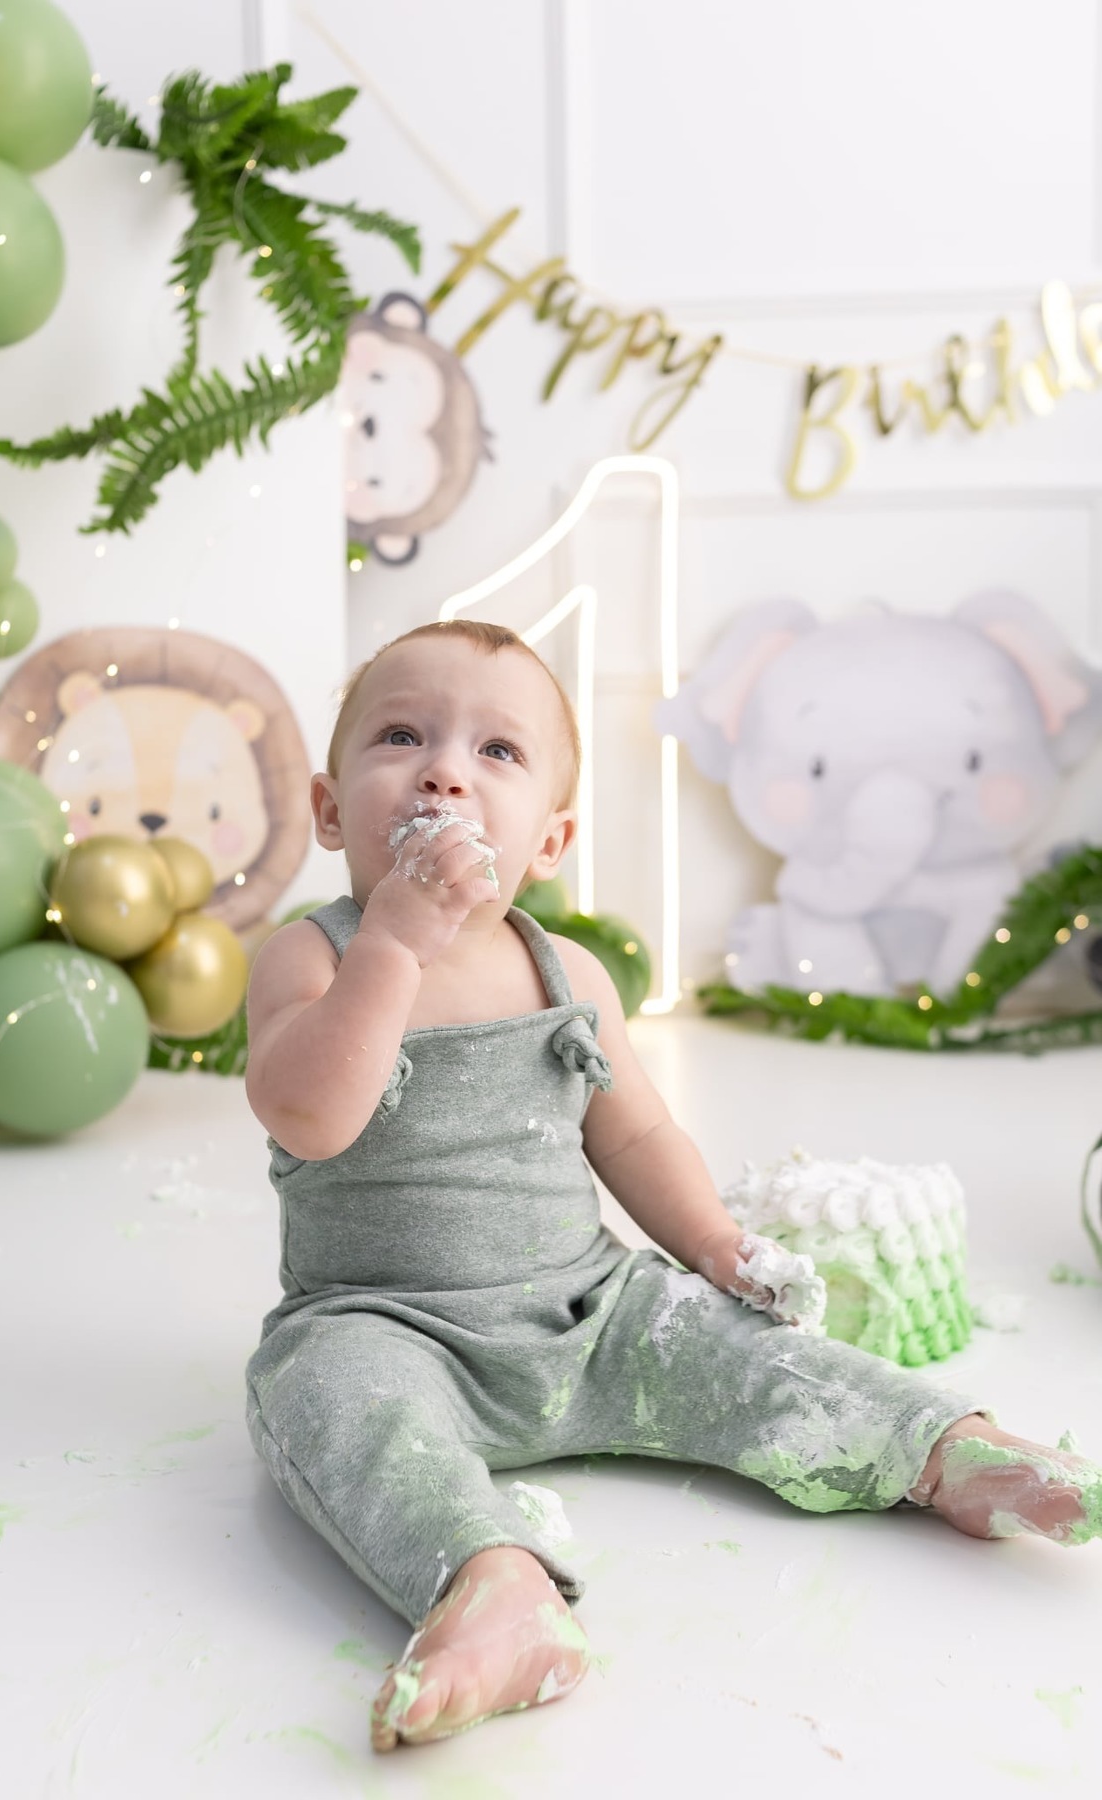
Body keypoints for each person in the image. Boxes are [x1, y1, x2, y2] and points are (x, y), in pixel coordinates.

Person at [244, 619, 1102, 1753]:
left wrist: (713, 1244)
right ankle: (495, 1587)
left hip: (590, 1313)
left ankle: (941, 1448)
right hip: (385, 1324)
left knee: (745, 1350)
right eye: (403, 735)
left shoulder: (568, 970)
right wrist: (393, 944)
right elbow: (311, 1110)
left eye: (497, 751)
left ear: (548, 838)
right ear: (328, 808)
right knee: (328, 1401)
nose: (447, 768)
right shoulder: (314, 956)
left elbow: (637, 1134)